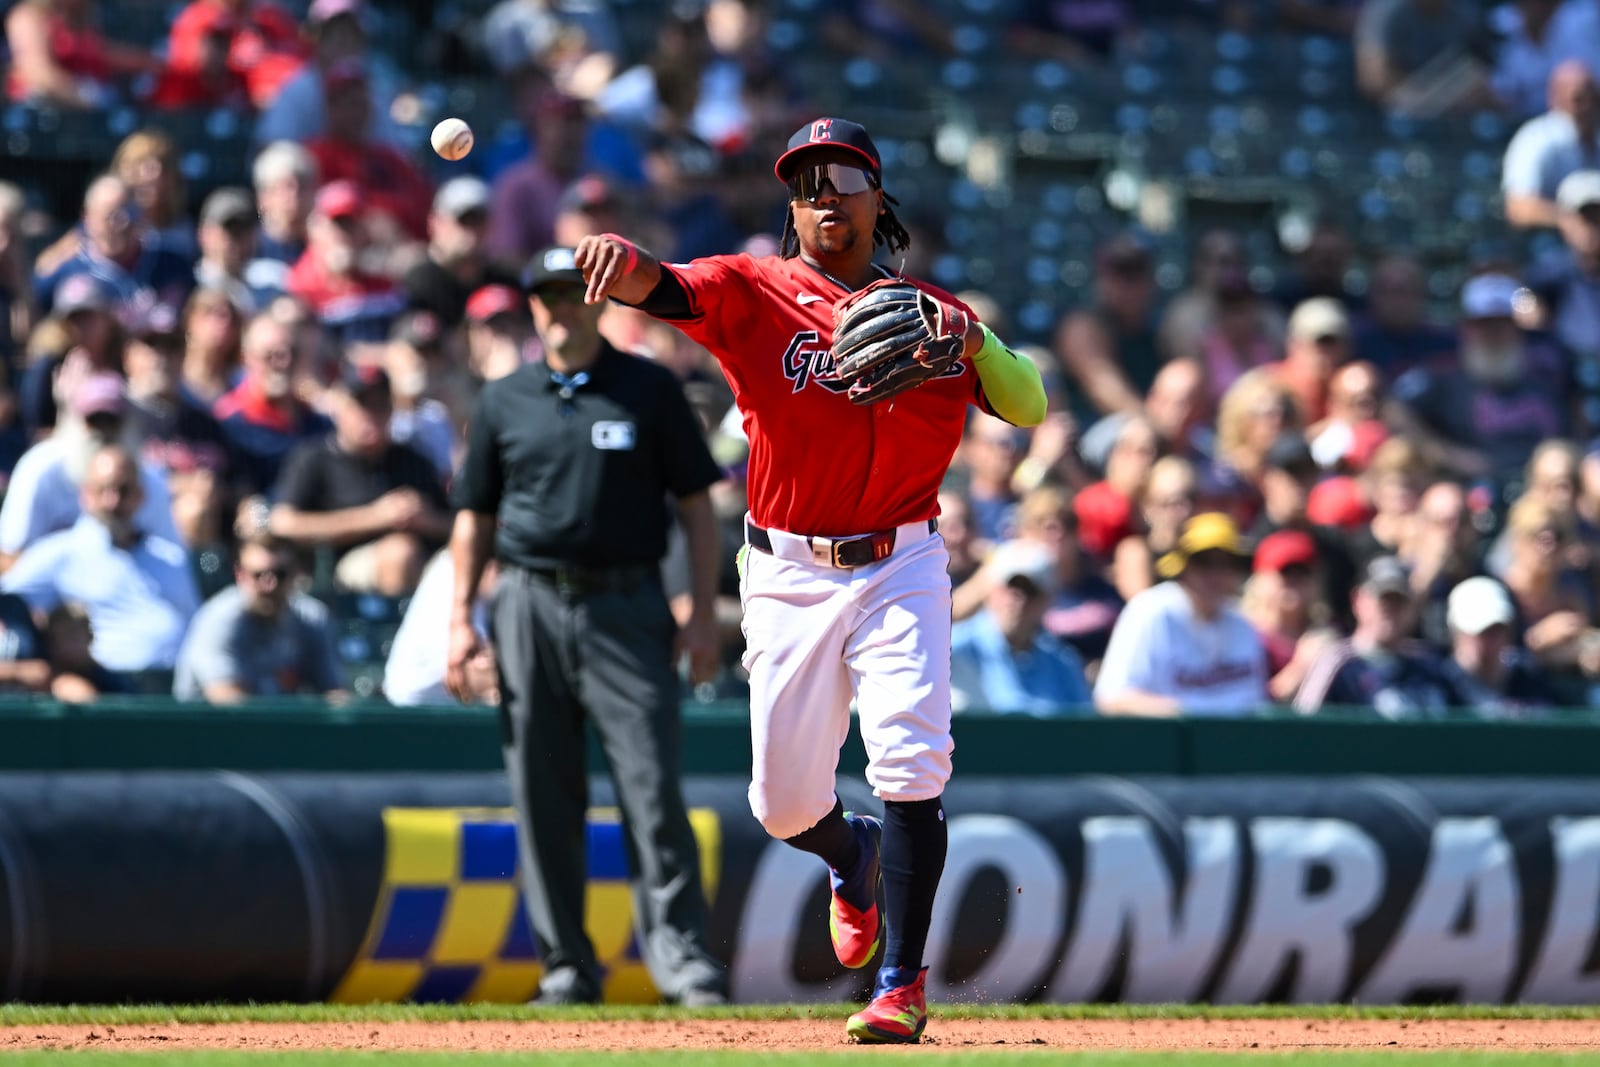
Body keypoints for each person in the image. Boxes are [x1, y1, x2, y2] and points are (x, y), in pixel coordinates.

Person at [569, 117, 1047, 1041]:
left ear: (879, 199)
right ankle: (850, 850)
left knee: (911, 758)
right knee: (783, 802)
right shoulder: (757, 290)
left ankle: (902, 983)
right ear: (792, 206)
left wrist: (972, 336)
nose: (823, 194)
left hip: (902, 557)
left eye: (842, 177)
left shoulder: (935, 318)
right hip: (787, 568)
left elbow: (1026, 404)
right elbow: (665, 287)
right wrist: (620, 258)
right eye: (805, 182)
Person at [446, 245, 730, 1008]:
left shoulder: (647, 388)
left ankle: (683, 960)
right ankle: (566, 967)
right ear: (531, 307)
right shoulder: (505, 398)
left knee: (650, 785)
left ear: (598, 299)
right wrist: (459, 621)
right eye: (545, 296)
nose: (559, 308)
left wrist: (700, 613)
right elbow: (474, 514)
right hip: (528, 600)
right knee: (541, 793)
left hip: (628, 602)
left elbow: (698, 505)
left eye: (572, 293)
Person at [1, 443, 198, 678]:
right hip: (105, 691)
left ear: (140, 496)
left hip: (173, 691)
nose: (112, 501)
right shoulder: (60, 552)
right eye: (102, 490)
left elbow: (195, 625)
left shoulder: (171, 558)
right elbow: (8, 599)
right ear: (85, 495)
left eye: (123, 490)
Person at [269, 365, 451, 596]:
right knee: (399, 553)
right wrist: (376, 517)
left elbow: (455, 524)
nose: (371, 415)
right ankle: (393, 631)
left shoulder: (413, 459)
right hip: (337, 576)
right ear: (339, 407)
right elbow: (283, 523)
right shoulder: (314, 457)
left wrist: (427, 520)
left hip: (423, 567)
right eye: (361, 405)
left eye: (380, 406)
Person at [1094, 512, 1268, 717]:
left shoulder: (1242, 625)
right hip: (1164, 743)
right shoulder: (1150, 611)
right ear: (1183, 567)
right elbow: (1111, 699)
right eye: (1203, 562)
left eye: (1225, 563)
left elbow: (1255, 705)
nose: (1215, 575)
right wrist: (1186, 715)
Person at [1295, 555, 1477, 717]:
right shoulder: (1339, 663)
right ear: (1357, 601)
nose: (1390, 611)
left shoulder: (1429, 664)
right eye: (1383, 601)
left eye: (1398, 601)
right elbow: (1305, 727)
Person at [172, 533, 343, 702]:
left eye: (280, 574)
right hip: (211, 728)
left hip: (275, 725)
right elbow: (227, 702)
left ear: (294, 575)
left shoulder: (311, 619)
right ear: (240, 575)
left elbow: (334, 695)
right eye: (258, 575)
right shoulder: (219, 619)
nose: (269, 585)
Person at [949, 539, 1092, 716]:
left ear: (1046, 600)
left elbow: (1084, 733)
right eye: (1011, 588)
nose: (1019, 600)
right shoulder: (950, 651)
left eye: (1030, 591)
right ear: (990, 590)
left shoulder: (1063, 664)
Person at [1503, 60, 1600, 229]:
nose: (1588, 106)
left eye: (1594, 98)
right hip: (1550, 244)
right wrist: (1570, 222)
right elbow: (1517, 206)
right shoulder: (1536, 138)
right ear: (1555, 99)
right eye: (1579, 99)